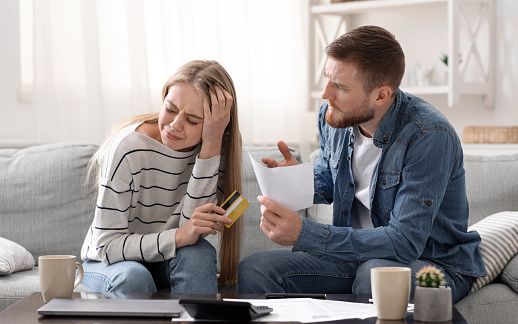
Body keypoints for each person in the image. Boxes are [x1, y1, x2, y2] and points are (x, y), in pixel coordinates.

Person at [238, 26, 486, 303]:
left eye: (340, 87)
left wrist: (306, 234)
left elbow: (404, 243)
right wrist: (297, 181)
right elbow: (332, 177)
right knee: (256, 268)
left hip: (432, 264)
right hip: (357, 256)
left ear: (381, 95)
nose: (325, 94)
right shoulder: (334, 114)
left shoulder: (429, 135)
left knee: (375, 275)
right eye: (328, 80)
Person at [80, 60, 243, 294]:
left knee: (199, 255)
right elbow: (106, 246)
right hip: (108, 264)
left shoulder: (218, 146)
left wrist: (211, 147)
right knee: (134, 277)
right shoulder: (129, 148)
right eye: (170, 109)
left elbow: (192, 233)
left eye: (192, 120)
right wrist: (179, 236)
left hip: (166, 261)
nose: (174, 126)